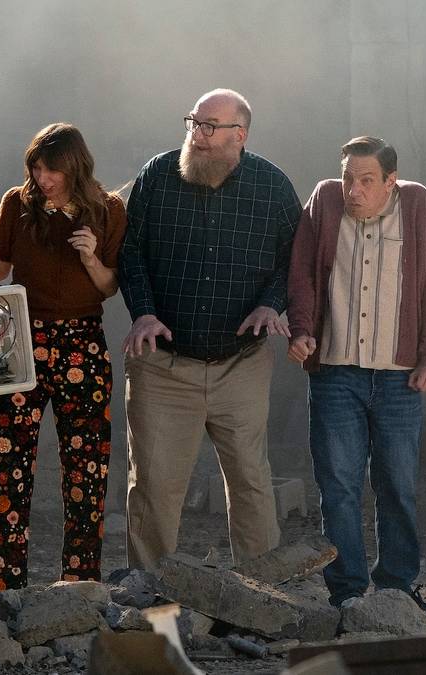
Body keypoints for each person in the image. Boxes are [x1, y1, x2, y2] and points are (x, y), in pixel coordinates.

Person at [119, 88, 301, 571]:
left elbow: (296, 258)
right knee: (154, 486)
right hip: (163, 363)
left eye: (208, 127)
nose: (196, 136)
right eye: (193, 123)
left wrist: (271, 303)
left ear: (239, 135)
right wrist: (143, 311)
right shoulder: (158, 175)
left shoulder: (272, 186)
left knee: (251, 481)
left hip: (240, 361)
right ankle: (152, 597)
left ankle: (262, 592)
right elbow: (129, 251)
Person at [286, 136, 426, 626]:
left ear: (390, 181)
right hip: (336, 371)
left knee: (397, 485)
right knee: (338, 486)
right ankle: (348, 595)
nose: (353, 190)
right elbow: (302, 274)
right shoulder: (325, 200)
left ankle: (398, 591)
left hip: (399, 377)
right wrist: (301, 330)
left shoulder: (416, 204)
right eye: (348, 178)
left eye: (366, 181)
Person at [0, 123, 126, 591]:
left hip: (83, 345)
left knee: (86, 469)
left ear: (75, 167)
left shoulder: (108, 209)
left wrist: (91, 258)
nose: (43, 178)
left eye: (52, 169)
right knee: (8, 464)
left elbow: (110, 286)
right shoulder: (17, 202)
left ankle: (79, 586)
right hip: (19, 341)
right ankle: (1, 589)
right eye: (36, 168)